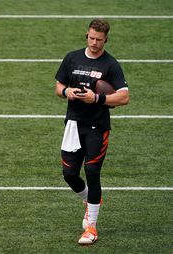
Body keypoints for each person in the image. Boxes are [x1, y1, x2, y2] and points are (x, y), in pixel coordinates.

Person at [55, 18, 129, 245]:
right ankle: (90, 200)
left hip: (97, 126)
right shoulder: (72, 57)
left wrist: (97, 98)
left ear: (106, 39)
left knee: (93, 171)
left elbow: (124, 96)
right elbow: (58, 86)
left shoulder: (111, 64)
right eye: (91, 38)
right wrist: (66, 91)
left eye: (99, 39)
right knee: (69, 175)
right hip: (74, 124)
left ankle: (92, 227)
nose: (94, 42)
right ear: (86, 36)